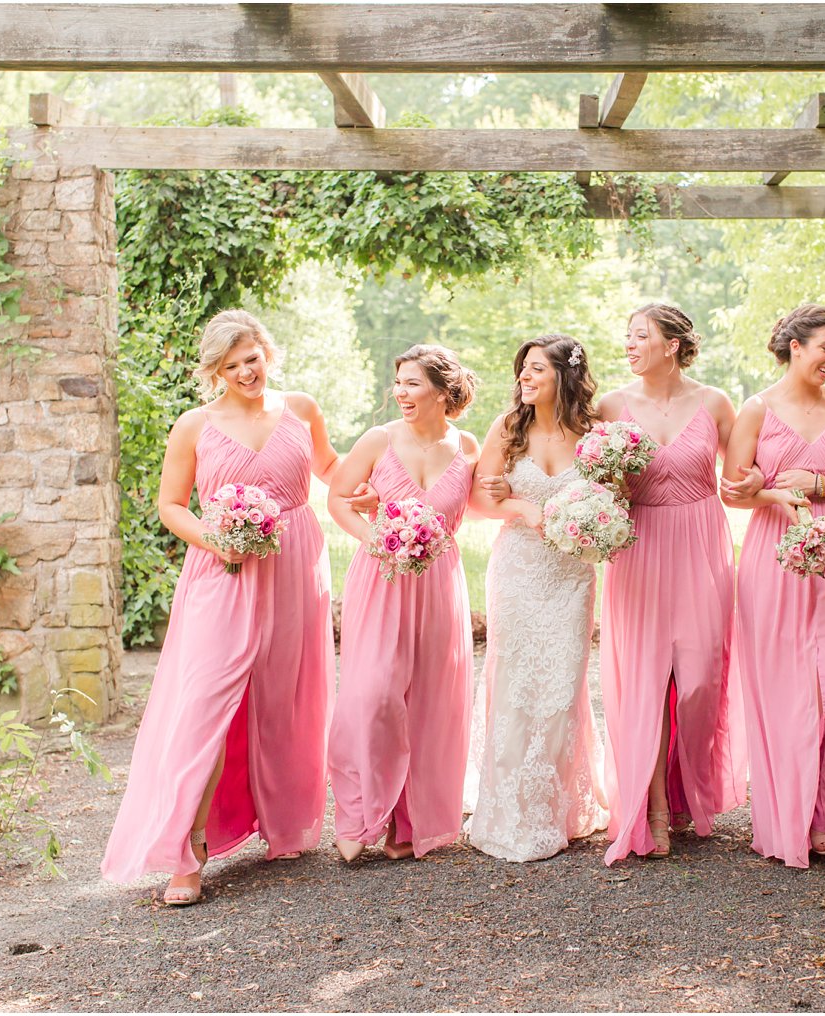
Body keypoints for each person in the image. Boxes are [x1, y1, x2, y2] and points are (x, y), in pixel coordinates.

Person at [101, 309, 358, 905]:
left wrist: (367, 485)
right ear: (215, 369)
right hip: (222, 569)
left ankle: (283, 822)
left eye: (255, 358)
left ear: (269, 353)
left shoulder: (301, 409)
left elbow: (328, 467)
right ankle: (185, 850)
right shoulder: (194, 425)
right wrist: (220, 540)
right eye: (234, 363)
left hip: (294, 562)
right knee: (205, 701)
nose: (248, 371)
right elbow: (172, 506)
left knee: (283, 693)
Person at [597, 303, 757, 863]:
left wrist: (773, 482)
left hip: (700, 544)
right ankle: (655, 808)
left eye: (640, 335)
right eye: (627, 334)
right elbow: (591, 478)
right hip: (638, 547)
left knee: (697, 680)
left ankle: (690, 788)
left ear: (672, 344)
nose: (629, 343)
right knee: (644, 680)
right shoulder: (610, 406)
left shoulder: (715, 403)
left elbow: (741, 479)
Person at [721, 305, 825, 866]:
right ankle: (786, 815)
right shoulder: (757, 410)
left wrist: (820, 482)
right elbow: (731, 491)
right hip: (773, 553)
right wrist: (772, 495)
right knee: (783, 685)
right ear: (795, 346)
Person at [326, 344, 480, 862]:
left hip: (440, 584)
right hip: (382, 578)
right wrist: (372, 536)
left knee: (431, 703)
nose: (401, 393)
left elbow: (481, 503)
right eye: (398, 382)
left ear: (442, 391)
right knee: (372, 695)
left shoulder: (469, 447)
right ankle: (358, 812)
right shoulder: (377, 440)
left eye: (412, 383)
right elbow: (338, 500)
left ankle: (409, 822)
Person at [465, 334, 609, 862]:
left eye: (537, 371)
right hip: (520, 569)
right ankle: (508, 809)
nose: (524, 379)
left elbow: (611, 498)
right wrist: (524, 510)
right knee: (516, 677)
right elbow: (480, 497)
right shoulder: (508, 429)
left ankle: (555, 805)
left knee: (562, 681)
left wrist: (592, 523)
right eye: (522, 370)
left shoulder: (593, 436)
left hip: (571, 572)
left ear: (563, 378)